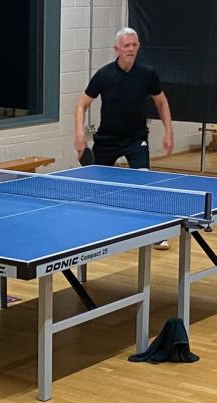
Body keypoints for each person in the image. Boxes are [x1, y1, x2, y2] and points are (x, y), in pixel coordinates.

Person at [74, 27, 174, 250]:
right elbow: (81, 104)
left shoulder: (147, 74)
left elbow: (161, 102)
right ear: (117, 49)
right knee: (96, 188)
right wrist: (80, 135)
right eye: (126, 45)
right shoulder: (104, 75)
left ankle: (156, 232)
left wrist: (169, 131)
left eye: (134, 45)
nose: (131, 49)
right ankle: (95, 229)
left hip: (135, 139)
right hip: (107, 140)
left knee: (145, 184)